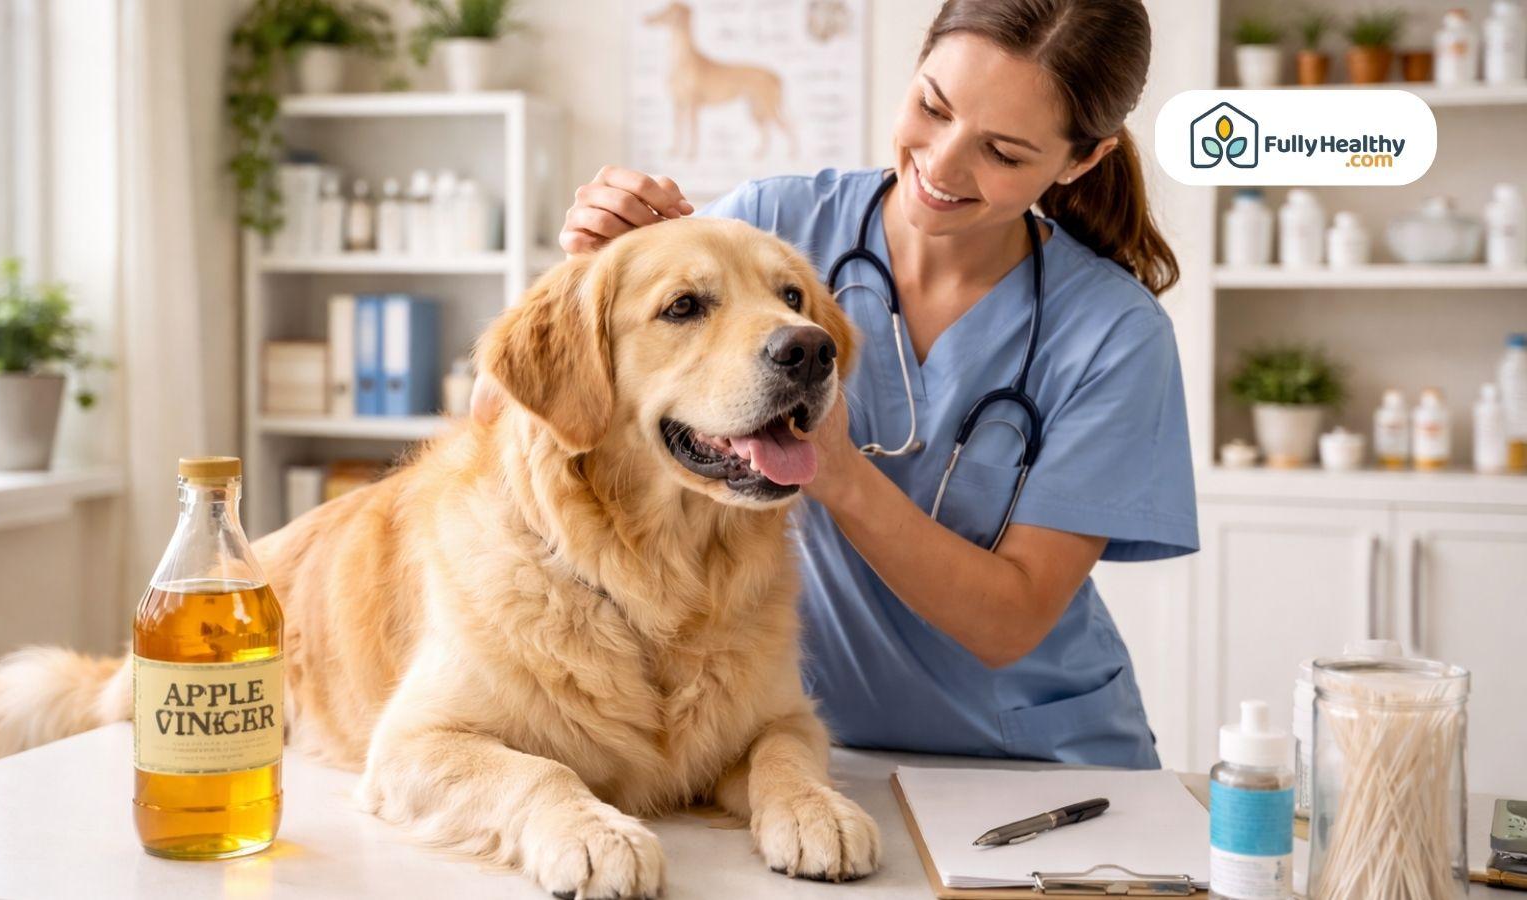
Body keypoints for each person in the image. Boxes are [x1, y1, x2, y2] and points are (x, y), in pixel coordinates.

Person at [478, 0, 1196, 768]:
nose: (943, 165)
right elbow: (504, 422)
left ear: (1079, 161)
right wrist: (581, 278)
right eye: (933, 106)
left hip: (1042, 767)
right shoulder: (771, 227)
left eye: (1004, 152)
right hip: (811, 749)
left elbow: (1010, 622)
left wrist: (841, 473)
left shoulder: (1115, 335)